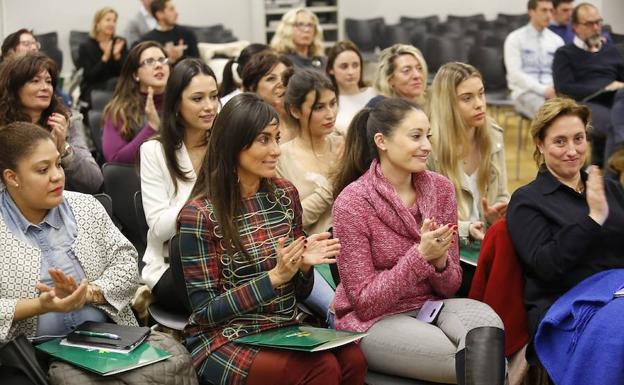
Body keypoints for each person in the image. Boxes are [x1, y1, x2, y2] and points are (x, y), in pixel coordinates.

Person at [178, 92, 367, 385]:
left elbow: (300, 293)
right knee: (321, 369)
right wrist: (274, 278)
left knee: (353, 358)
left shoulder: (284, 195)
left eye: (277, 138)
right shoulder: (199, 215)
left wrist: (302, 268)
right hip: (225, 336)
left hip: (282, 324)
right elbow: (204, 313)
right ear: (233, 144)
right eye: (264, 139)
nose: (276, 150)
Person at [331, 97, 505, 384]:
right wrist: (420, 256)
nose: (426, 145)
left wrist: (439, 263)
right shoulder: (352, 203)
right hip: (375, 321)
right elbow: (364, 303)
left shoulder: (441, 189)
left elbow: (450, 286)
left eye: (428, 136)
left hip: (432, 306)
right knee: (477, 362)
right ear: (382, 141)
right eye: (415, 136)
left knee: (487, 331)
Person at [0, 121, 139, 382]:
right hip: (26, 359)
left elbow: (127, 264)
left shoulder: (87, 207)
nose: (57, 176)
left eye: (58, 164)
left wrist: (88, 294)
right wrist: (39, 306)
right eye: (43, 169)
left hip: (109, 343)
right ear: (12, 177)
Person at [506, 97, 624, 379]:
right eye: (560, 142)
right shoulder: (527, 201)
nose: (572, 151)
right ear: (540, 144)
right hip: (567, 304)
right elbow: (547, 267)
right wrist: (593, 218)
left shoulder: (606, 186)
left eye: (579, 139)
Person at [140, 58, 219, 313]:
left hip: (225, 258)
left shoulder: (225, 145)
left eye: (214, 96)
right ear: (176, 104)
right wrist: (210, 196)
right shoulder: (155, 151)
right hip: (172, 265)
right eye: (197, 99)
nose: (209, 107)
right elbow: (160, 227)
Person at [428, 62, 509, 247]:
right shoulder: (428, 147)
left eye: (481, 94)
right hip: (448, 248)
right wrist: (466, 229)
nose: (479, 104)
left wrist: (499, 213)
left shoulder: (494, 135)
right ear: (447, 104)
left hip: (488, 241)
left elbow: (503, 195)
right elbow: (426, 217)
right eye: (467, 98)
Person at [0, 53, 103, 194]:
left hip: (61, 204)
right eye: (35, 81)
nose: (45, 88)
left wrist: (63, 150)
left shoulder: (67, 122)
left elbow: (94, 182)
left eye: (48, 82)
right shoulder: (3, 129)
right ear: (15, 88)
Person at [552, 2, 624, 166]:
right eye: (590, 23)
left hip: (617, 100)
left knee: (618, 115)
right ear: (575, 27)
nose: (597, 27)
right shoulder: (565, 54)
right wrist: (604, 88)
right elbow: (563, 89)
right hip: (586, 103)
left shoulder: (612, 51)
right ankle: (611, 178)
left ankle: (607, 172)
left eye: (598, 22)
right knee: (614, 124)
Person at [102, 41, 170, 164]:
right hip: (138, 180)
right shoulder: (119, 110)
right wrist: (152, 127)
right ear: (135, 74)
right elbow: (115, 161)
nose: (159, 65)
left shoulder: (181, 104)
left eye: (162, 60)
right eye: (149, 61)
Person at [504, 0, 564, 118]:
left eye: (551, 11)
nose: (548, 15)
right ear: (531, 12)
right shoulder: (515, 38)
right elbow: (515, 74)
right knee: (549, 116)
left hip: (553, 92)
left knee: (573, 112)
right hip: (524, 92)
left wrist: (553, 89)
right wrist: (543, 90)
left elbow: (560, 72)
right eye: (544, 10)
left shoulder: (557, 41)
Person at [77, 7, 127, 112]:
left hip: (116, 87)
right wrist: (105, 57)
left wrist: (117, 56)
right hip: (94, 87)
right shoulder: (85, 46)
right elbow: (89, 76)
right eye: (108, 20)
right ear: (97, 23)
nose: (112, 24)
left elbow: (125, 73)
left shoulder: (119, 42)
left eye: (114, 21)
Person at [241, 51, 296, 143]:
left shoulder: (307, 120)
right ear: (252, 87)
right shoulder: (245, 128)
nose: (282, 83)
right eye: (271, 79)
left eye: (286, 77)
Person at [326, 41, 376, 135]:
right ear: (331, 70)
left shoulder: (374, 94)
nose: (351, 72)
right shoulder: (328, 102)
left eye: (355, 65)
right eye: (344, 66)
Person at [367, 44, 428, 108]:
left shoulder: (429, 104)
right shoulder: (378, 107)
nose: (417, 75)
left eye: (419, 68)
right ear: (390, 80)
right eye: (406, 70)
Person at [139, 0, 199, 64]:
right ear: (159, 14)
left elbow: (197, 61)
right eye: (171, 9)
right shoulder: (148, 40)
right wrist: (169, 59)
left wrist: (181, 56)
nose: (176, 13)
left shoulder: (187, 34)